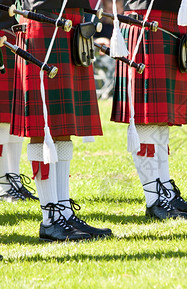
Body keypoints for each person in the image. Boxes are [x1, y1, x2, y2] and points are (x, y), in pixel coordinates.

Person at [11, 0, 112, 241]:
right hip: (43, 19)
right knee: (43, 126)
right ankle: (50, 219)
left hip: (73, 20)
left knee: (63, 126)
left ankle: (64, 211)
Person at [111, 0, 187, 219]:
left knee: (160, 118)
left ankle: (165, 191)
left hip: (174, 19)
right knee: (147, 118)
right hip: (146, 20)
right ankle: (154, 199)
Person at [0, 0, 38, 202]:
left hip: (13, 36)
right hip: (1, 37)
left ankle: (13, 179)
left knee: (14, 120)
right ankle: (3, 185)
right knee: (2, 121)